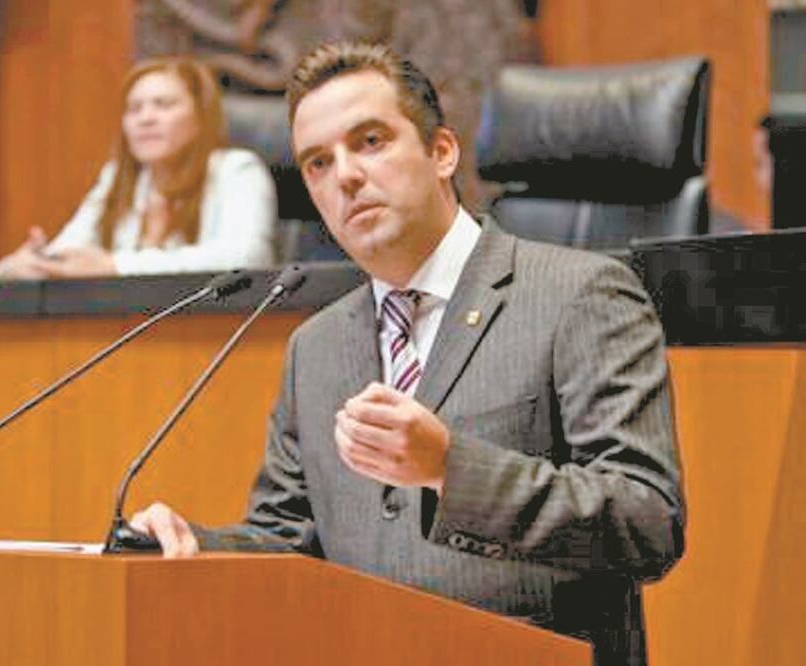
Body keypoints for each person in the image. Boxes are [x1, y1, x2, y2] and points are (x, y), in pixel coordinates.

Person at [130, 42, 684, 666]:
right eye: (317, 162)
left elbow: (647, 523)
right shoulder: (316, 347)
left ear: (441, 152)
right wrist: (190, 547)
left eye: (370, 141)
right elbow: (290, 539)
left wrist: (451, 468)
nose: (345, 175)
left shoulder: (578, 294)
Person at [0, 56, 277, 279]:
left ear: (200, 116)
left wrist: (116, 265)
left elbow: (247, 258)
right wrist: (28, 263)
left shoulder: (237, 171)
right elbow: (71, 253)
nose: (146, 118)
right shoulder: (119, 178)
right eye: (134, 108)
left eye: (163, 105)